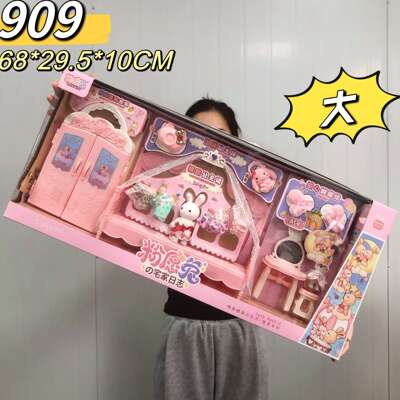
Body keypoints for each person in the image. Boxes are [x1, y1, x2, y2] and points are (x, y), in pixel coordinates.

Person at [47, 86, 353, 400]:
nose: (211, 144)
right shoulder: (164, 173)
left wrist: (333, 327)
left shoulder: (258, 197)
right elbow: (108, 221)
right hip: (185, 327)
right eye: (199, 132)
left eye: (220, 135)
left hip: (240, 330)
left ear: (237, 140)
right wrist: (62, 112)